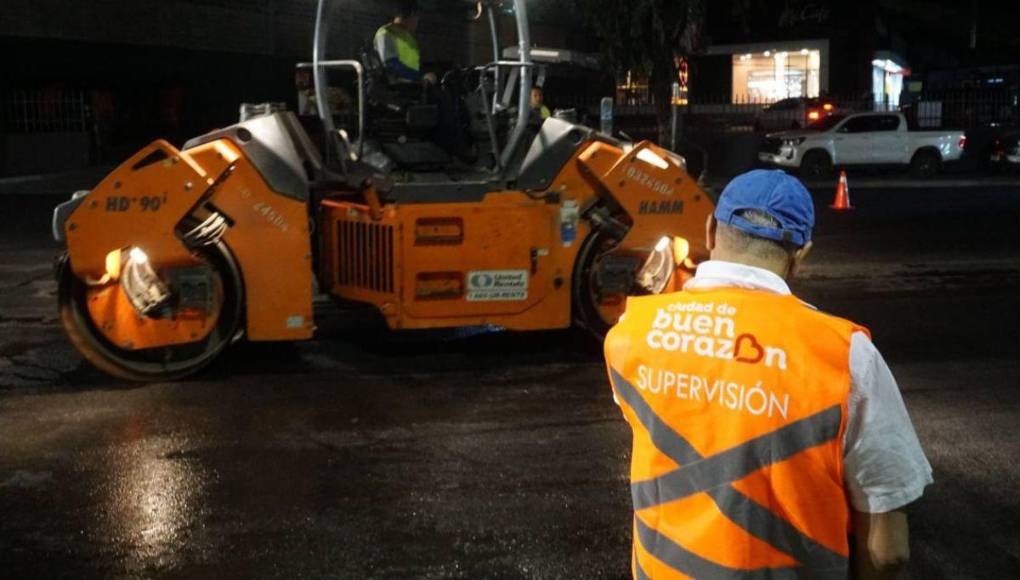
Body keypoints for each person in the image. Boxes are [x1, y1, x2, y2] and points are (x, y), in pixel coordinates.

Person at [604, 169, 933, 579]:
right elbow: (887, 552)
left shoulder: (631, 333)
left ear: (710, 231)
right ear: (801, 254)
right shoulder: (844, 355)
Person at [374, 0, 436, 85]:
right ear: (411, 14)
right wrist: (420, 75)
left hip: (410, 85)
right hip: (396, 89)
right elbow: (390, 64)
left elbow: (413, 64)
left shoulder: (409, 37)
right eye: (416, 17)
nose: (417, 22)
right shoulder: (386, 33)